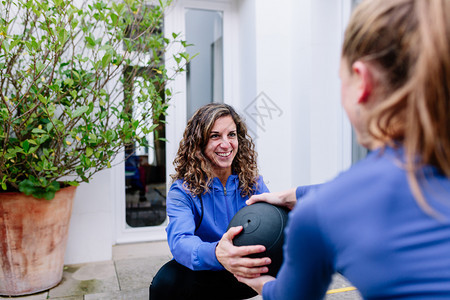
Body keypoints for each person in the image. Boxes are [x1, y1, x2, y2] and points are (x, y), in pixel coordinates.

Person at [234, 0, 450, 299]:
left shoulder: (324, 214)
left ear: (362, 81)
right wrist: (293, 194)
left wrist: (258, 282)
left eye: (341, 78)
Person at [149, 103, 271, 300]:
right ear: (199, 144)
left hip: (244, 269)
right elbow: (180, 242)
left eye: (231, 134)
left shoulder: (253, 183)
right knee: (166, 281)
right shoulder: (182, 191)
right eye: (215, 136)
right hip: (206, 270)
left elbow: (272, 223)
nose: (226, 144)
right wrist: (217, 253)